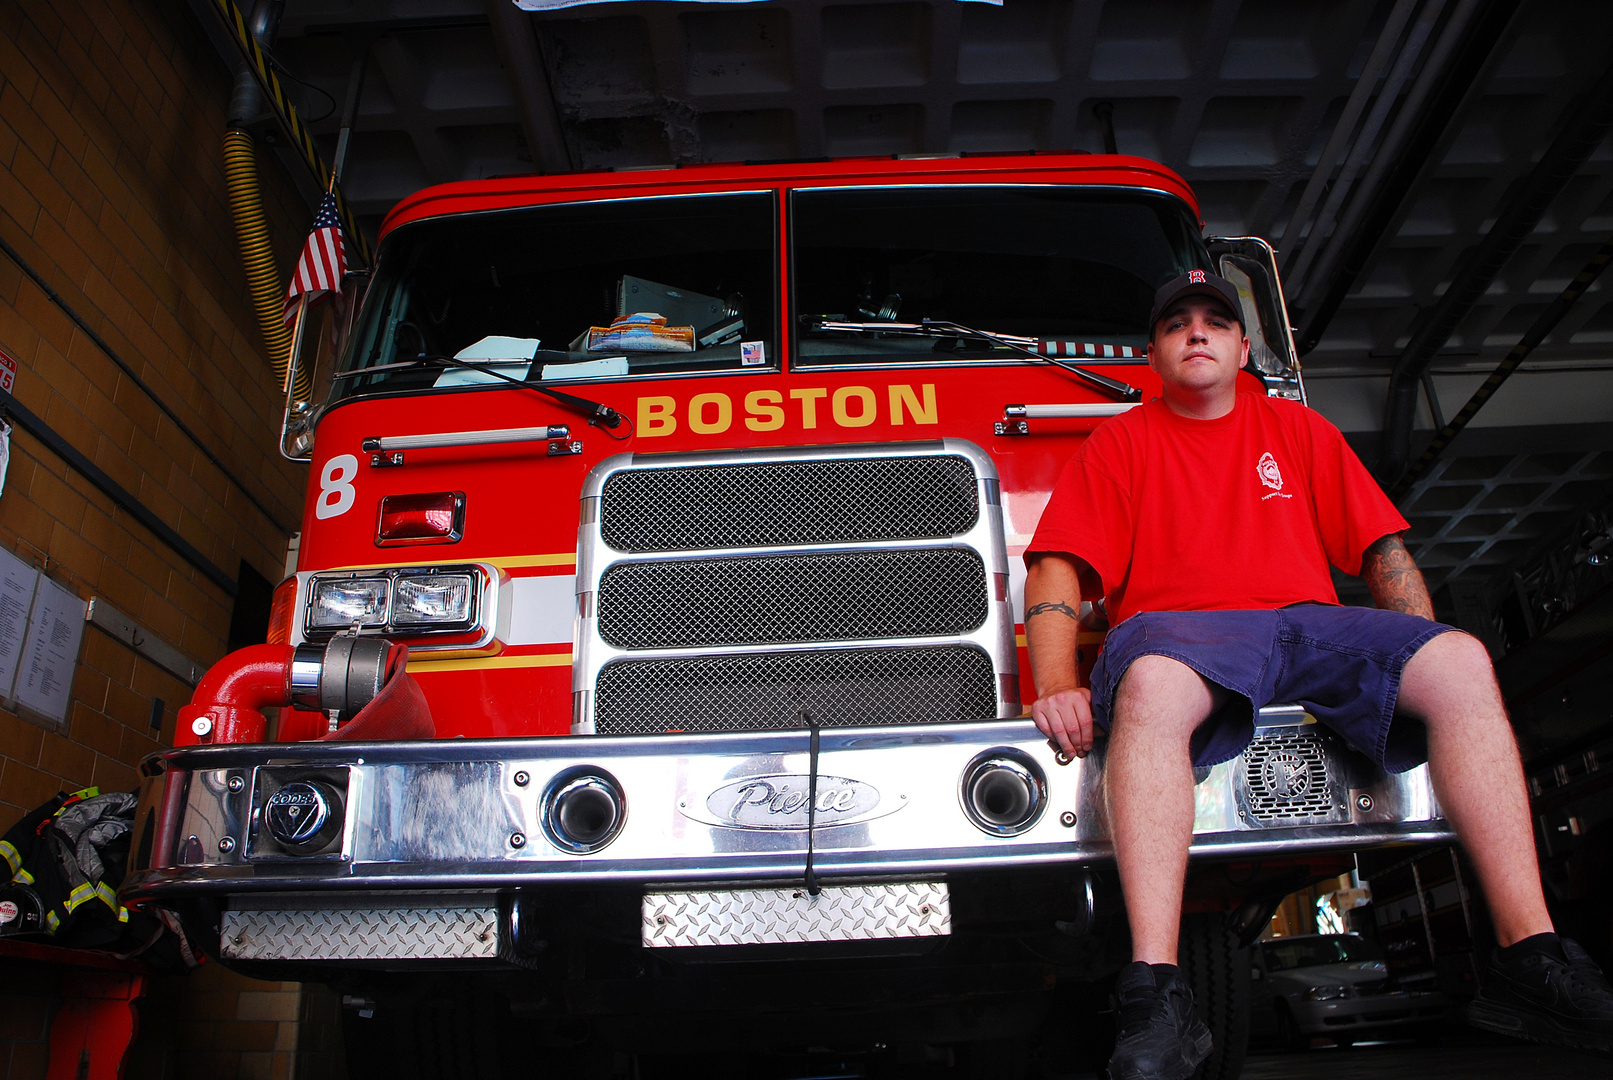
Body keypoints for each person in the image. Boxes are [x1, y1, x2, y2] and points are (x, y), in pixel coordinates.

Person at [1023, 270, 1613, 1080]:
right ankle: (1155, 988)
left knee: (1461, 660)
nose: (1196, 333)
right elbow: (1059, 568)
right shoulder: (1120, 442)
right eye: (1176, 325)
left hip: (1305, 623)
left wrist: (1418, 653)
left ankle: (1529, 955)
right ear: (1154, 353)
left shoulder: (1297, 430)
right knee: (1153, 686)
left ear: (1239, 346)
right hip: (1181, 631)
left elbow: (1381, 553)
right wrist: (1057, 683)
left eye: (1213, 322)